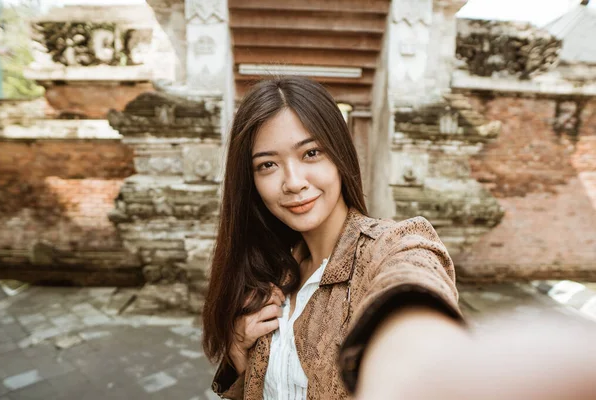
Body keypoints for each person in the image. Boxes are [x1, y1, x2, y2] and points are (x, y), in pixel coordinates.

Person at [201, 76, 596, 400]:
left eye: (311, 154)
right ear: (250, 181)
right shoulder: (269, 273)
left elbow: (409, 297)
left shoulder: (393, 246)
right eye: (267, 164)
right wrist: (239, 361)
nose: (294, 182)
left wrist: (423, 375)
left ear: (339, 154)